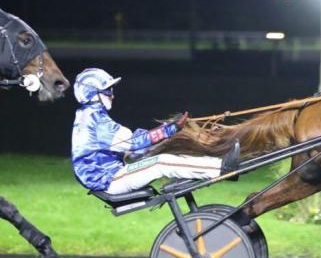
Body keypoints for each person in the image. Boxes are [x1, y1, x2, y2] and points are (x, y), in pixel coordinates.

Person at [71, 68, 238, 195]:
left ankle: (214, 164)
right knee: (160, 162)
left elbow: (134, 144)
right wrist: (170, 129)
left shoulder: (90, 117)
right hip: (109, 181)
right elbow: (134, 143)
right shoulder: (93, 121)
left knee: (162, 156)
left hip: (111, 175)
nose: (112, 95)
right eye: (108, 91)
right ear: (93, 94)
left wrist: (165, 130)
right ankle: (221, 169)